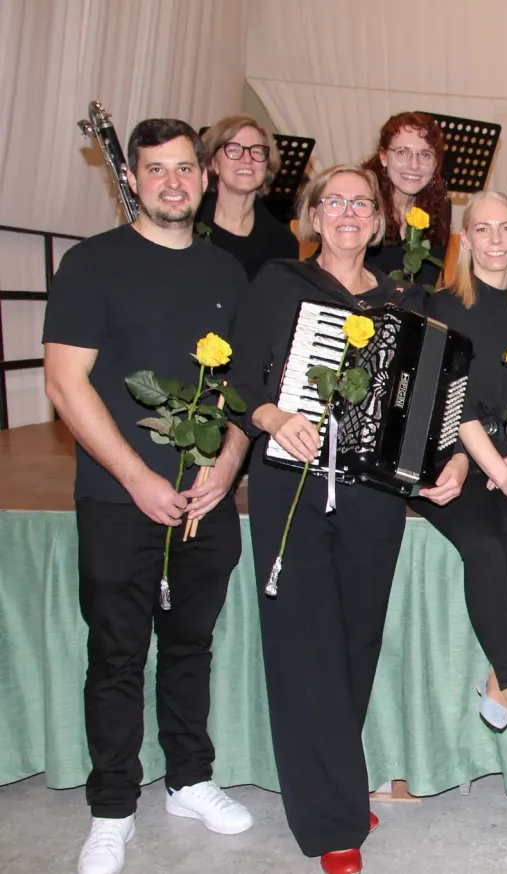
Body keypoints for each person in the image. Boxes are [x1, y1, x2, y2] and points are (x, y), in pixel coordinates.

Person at [228, 164, 466, 874]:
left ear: (381, 220)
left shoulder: (406, 298)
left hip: (373, 493)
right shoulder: (280, 283)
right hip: (291, 482)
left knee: (357, 639)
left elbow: (427, 400)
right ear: (311, 215)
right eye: (334, 202)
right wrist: (273, 415)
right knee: (303, 646)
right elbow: (240, 382)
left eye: (361, 203)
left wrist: (444, 457)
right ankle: (331, 822)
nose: (348, 213)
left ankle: (332, 780)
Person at [43, 118, 254, 874]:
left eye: (185, 168)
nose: (173, 182)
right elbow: (66, 383)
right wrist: (137, 477)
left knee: (191, 648)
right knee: (117, 656)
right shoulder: (92, 265)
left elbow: (246, 392)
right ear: (129, 180)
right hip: (115, 498)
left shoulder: (228, 274)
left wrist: (227, 465)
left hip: (206, 500)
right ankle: (112, 807)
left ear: (203, 176)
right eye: (155, 169)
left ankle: (190, 779)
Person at [403, 191, 507, 767]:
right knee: (486, 548)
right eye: (483, 230)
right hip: (449, 455)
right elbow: (453, 400)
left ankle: (494, 678)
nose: (495, 240)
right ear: (464, 240)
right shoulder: (440, 303)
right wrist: (496, 467)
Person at [196, 114, 299, 278]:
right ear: (213, 163)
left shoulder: (283, 243)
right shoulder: (188, 222)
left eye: (257, 152)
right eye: (234, 150)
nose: (246, 159)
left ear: (266, 165)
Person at [362, 111, 452, 288]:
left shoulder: (441, 208)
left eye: (425, 155)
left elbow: (426, 286)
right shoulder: (362, 203)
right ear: (383, 157)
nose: (414, 165)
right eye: (403, 152)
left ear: (435, 163)